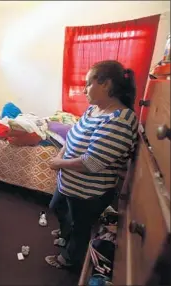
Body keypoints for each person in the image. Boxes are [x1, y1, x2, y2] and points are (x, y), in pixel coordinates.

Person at [45, 60, 138, 269]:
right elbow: (71, 137)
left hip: (87, 192)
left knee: (81, 227)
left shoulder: (120, 120)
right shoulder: (93, 109)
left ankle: (69, 260)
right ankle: (66, 233)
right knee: (57, 207)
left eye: (88, 83)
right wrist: (61, 157)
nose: (84, 89)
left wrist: (59, 163)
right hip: (69, 183)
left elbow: (92, 163)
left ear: (105, 84)